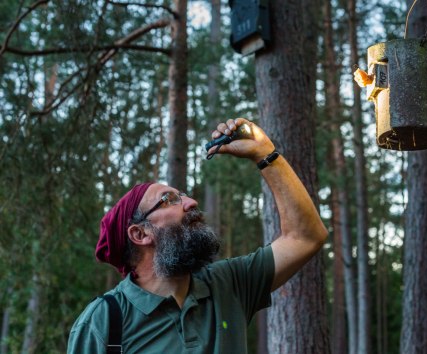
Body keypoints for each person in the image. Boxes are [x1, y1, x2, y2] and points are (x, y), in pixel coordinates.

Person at [67, 118, 328, 353]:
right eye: (169, 199)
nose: (191, 202)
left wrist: (266, 154)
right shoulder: (102, 322)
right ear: (139, 233)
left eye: (183, 195)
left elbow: (305, 237)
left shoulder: (229, 284)